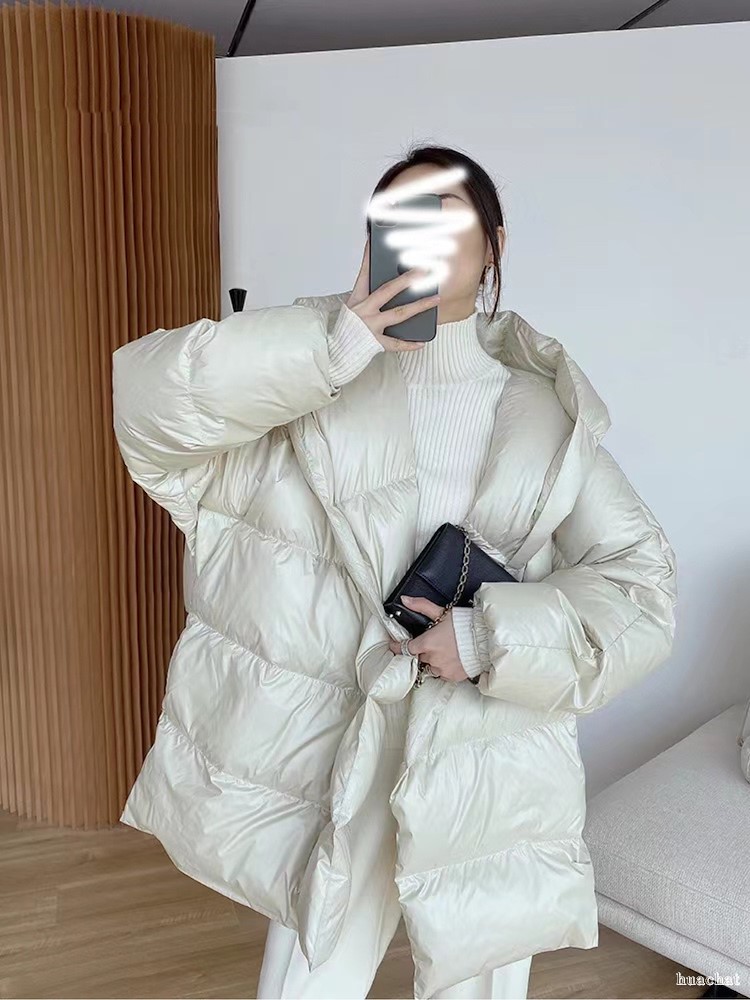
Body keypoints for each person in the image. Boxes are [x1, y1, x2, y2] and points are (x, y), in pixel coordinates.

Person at [112, 143, 677, 1000]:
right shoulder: (308, 387)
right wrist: (330, 347)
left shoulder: (545, 415)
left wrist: (489, 639)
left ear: (493, 245)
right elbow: (149, 411)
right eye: (400, 221)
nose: (425, 240)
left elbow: (641, 587)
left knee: (480, 978)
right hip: (335, 745)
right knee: (309, 979)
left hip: (489, 748)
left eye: (447, 217)